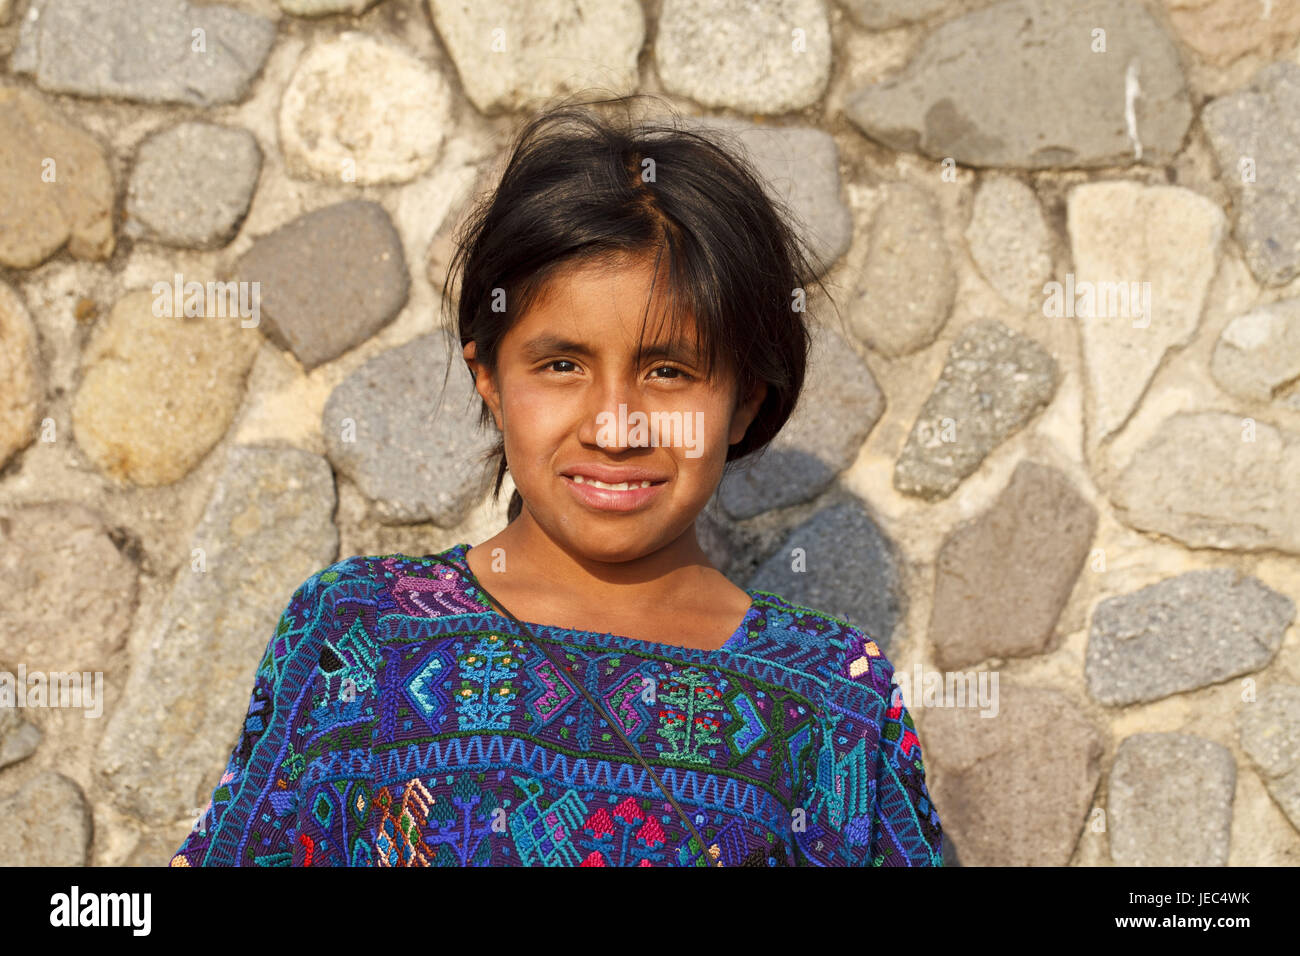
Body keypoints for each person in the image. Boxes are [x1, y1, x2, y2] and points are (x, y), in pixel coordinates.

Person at [171, 94, 944, 867]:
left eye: (669, 371)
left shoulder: (831, 704)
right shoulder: (359, 640)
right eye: (562, 366)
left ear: (745, 401)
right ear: (491, 381)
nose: (615, 427)